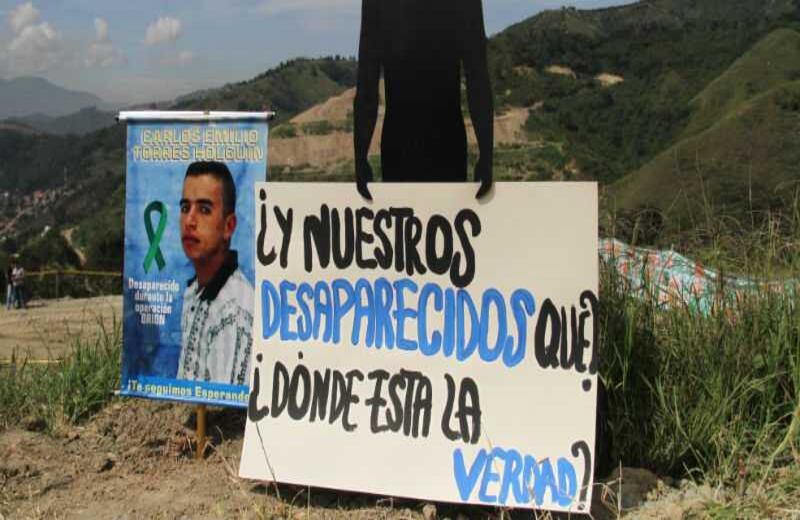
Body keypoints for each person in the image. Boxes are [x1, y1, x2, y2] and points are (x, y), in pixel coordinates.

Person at [353, 0, 494, 199]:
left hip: (399, 144)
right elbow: (477, 77)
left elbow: (367, 81)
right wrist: (486, 154)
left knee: (404, 226)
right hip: (448, 142)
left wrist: (360, 156)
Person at [176, 161, 254, 386]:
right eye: (184, 208)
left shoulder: (235, 310)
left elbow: (225, 410)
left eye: (204, 209)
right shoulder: (193, 291)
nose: (189, 221)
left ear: (229, 226)